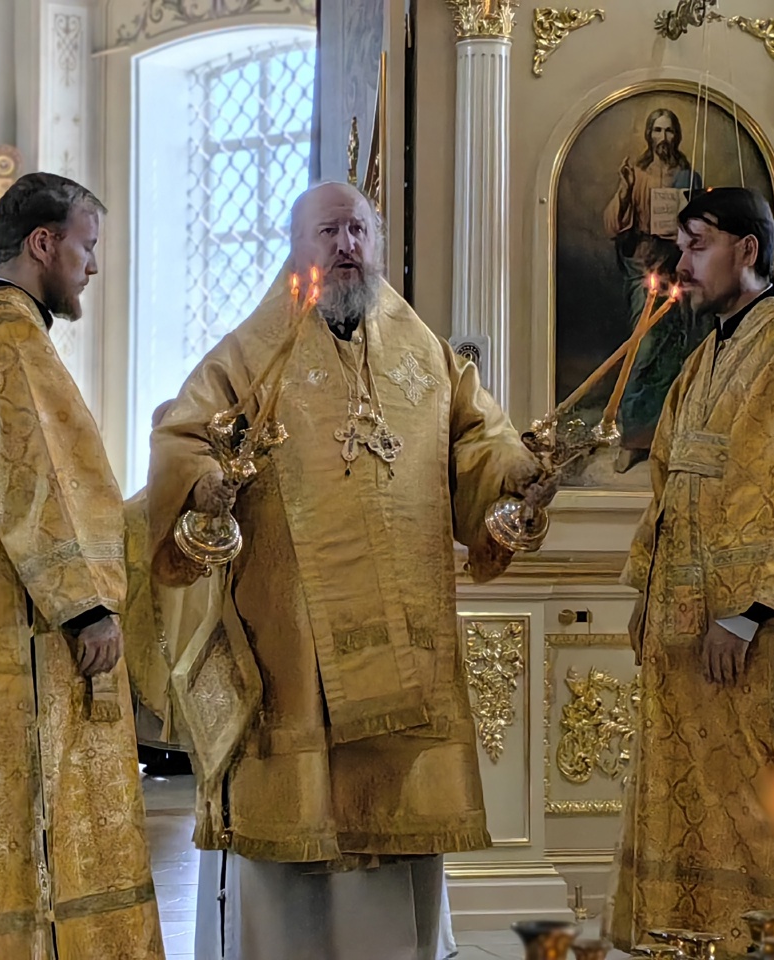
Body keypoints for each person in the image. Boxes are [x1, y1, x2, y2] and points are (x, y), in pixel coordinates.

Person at [145, 181, 554, 960]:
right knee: (295, 827)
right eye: (329, 231)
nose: (346, 246)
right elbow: (185, 437)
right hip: (292, 655)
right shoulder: (250, 352)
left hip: (408, 649)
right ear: (297, 248)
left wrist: (516, 474)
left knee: (394, 827)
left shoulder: (424, 352)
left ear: (378, 243)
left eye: (359, 231)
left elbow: (480, 441)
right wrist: (204, 483)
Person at [604, 187, 774, 957]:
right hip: (690, 642)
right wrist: (651, 596)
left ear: (748, 249)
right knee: (695, 812)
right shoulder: (704, 357)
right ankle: (689, 941)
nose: (682, 263)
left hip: (754, 642)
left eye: (698, 244)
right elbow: (671, 484)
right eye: (681, 245)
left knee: (760, 814)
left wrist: (748, 614)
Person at [0, 173, 164, 959]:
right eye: (86, 246)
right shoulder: (11, 341)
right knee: (41, 817)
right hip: (28, 635)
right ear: (43, 243)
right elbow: (42, 481)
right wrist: (88, 607)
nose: (92, 265)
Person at [602, 108, 708, 473]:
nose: (663, 138)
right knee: (643, 349)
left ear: (676, 136)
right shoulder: (638, 174)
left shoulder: (689, 176)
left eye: (669, 131)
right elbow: (613, 224)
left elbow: (704, 224)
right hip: (645, 268)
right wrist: (625, 189)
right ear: (649, 135)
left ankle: (670, 435)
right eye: (657, 131)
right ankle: (634, 439)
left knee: (677, 352)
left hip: (679, 266)